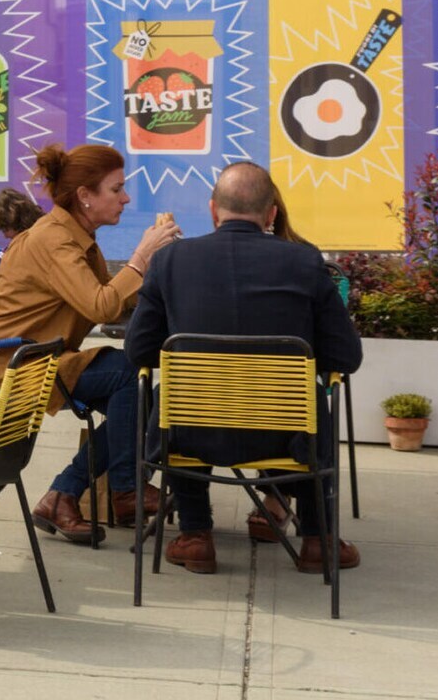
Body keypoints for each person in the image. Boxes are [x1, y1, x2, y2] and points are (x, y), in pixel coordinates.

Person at [124, 162, 362, 576]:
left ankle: (196, 536)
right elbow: (346, 357)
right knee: (309, 401)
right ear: (271, 214)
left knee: (179, 396)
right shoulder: (305, 263)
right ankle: (317, 541)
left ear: (214, 210)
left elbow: (139, 349)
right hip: (284, 435)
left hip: (191, 431)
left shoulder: (170, 261)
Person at [0, 143, 179, 544]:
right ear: (85, 196)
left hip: (44, 354)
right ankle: (123, 490)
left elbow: (111, 304)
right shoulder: (55, 240)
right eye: (116, 189)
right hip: (11, 361)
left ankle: (65, 494)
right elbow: (101, 305)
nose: (126, 198)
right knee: (128, 379)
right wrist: (139, 259)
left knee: (140, 394)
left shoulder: (77, 234)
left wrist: (155, 272)